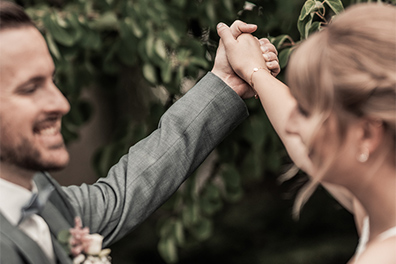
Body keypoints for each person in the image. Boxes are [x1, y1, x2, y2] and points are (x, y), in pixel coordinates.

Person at [0, 1, 281, 263]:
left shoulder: (44, 196)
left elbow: (122, 195)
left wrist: (224, 83)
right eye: (30, 89)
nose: (61, 104)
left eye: (52, 80)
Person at [216, 3, 396, 264]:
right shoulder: (376, 205)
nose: (291, 126)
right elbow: (298, 143)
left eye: (306, 111)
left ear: (367, 134)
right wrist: (254, 71)